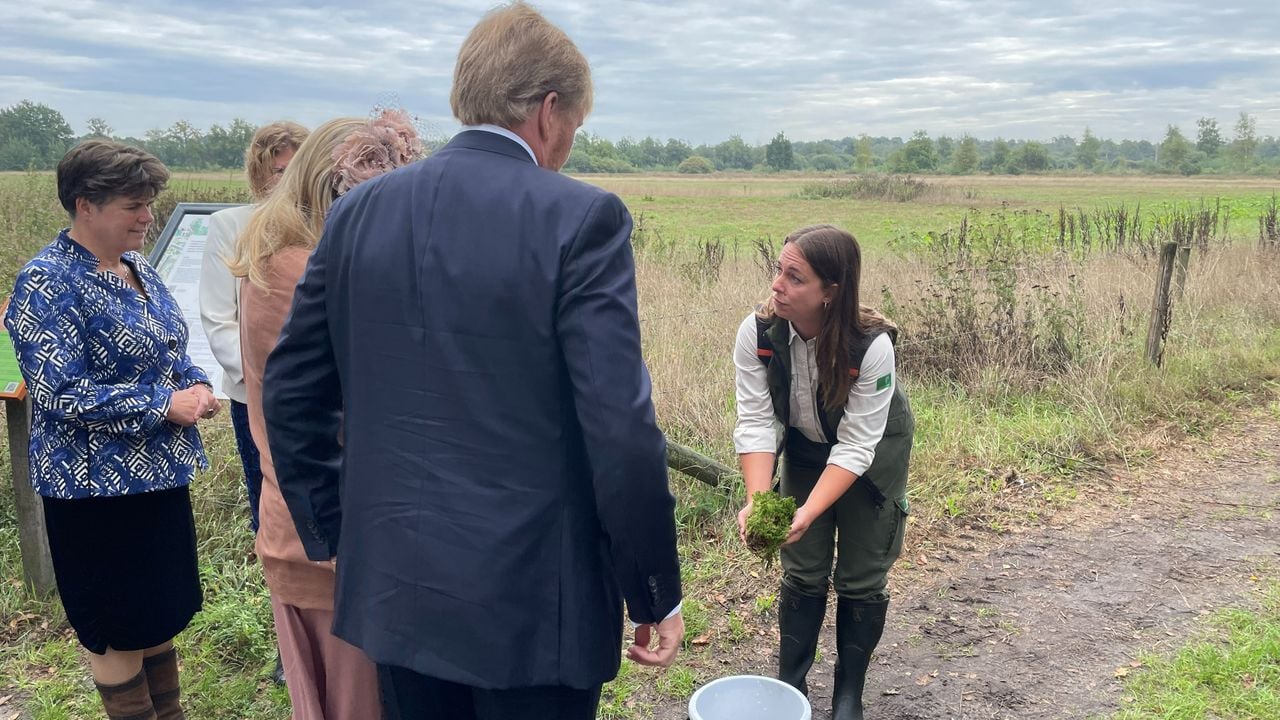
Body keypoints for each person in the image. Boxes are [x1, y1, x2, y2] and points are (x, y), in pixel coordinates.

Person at [261, 4, 684, 718]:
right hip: (533, 608)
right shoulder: (582, 219)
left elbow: (291, 391)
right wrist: (650, 589)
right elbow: (620, 429)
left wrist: (340, 535)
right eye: (574, 127)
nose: (567, 148)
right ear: (549, 111)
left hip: (396, 588)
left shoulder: (359, 213)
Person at [4, 140, 219, 720]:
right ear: (86, 205)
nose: (149, 216)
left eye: (150, 203)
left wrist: (197, 385)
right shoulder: (46, 282)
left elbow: (171, 349)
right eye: (134, 205)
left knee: (157, 614)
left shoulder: (138, 268)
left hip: (157, 475)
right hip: (94, 488)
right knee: (116, 627)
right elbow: (59, 391)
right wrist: (160, 405)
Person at [229, 112, 422, 720]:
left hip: (311, 521)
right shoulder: (302, 270)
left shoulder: (288, 254)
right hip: (329, 530)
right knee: (353, 701)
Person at [733, 224, 915, 720]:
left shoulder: (872, 345)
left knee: (861, 573)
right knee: (803, 564)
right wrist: (759, 500)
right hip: (806, 448)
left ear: (830, 293)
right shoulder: (757, 334)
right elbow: (755, 421)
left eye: (795, 277)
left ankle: (847, 697)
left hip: (873, 454)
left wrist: (810, 510)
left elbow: (857, 444)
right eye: (778, 270)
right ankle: (789, 690)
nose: (777, 285)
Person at [199, 120, 308, 534]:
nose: (288, 181)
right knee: (269, 503)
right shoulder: (232, 225)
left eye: (297, 169)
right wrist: (262, 378)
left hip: (317, 392)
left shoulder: (327, 222)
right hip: (256, 392)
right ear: (259, 173)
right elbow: (217, 317)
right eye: (279, 170)